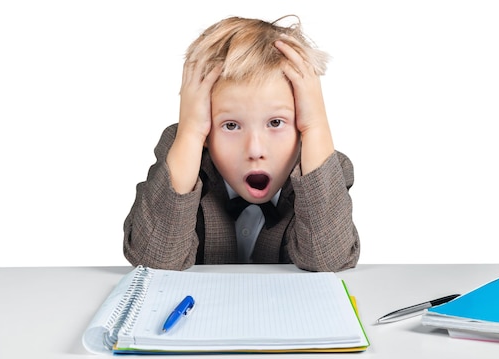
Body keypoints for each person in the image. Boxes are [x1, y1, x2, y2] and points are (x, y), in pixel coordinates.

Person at [123, 15, 360, 272]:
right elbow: (153, 261)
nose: (255, 151)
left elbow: (328, 261)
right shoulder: (184, 156)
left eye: (276, 123)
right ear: (206, 133)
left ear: (302, 128)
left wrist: (316, 125)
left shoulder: (322, 168)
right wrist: (190, 132)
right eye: (231, 126)